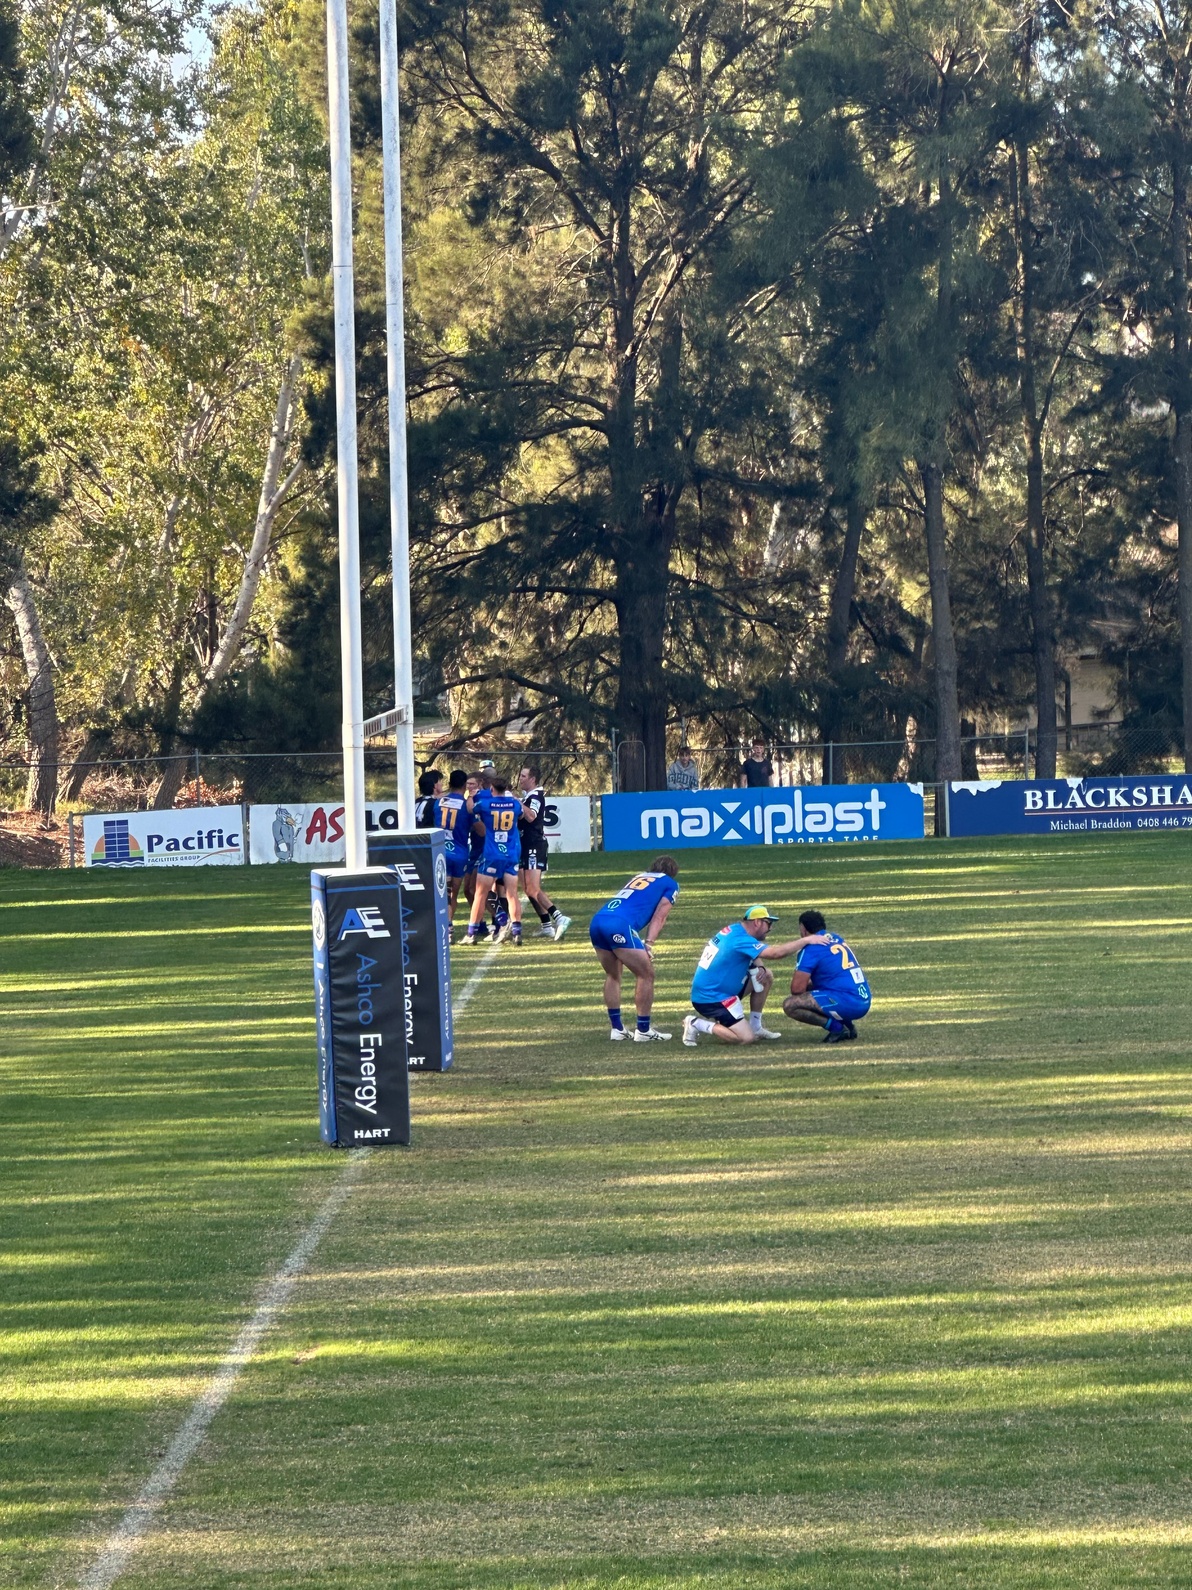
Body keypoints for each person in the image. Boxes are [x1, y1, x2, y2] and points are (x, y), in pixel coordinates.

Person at [683, 906, 819, 1047]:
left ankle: (756, 1026)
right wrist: (806, 940)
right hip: (712, 998)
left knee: (765, 975)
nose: (770, 928)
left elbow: (750, 953)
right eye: (768, 923)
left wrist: (760, 966)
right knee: (745, 1038)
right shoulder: (740, 939)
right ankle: (695, 1023)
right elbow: (775, 954)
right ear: (757, 922)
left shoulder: (736, 930)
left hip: (721, 991)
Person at [588, 857, 680, 1041]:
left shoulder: (639, 876)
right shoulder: (670, 884)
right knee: (646, 974)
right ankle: (644, 1030)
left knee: (613, 975)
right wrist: (649, 943)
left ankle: (617, 1029)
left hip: (598, 920)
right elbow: (659, 917)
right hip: (619, 925)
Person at [782, 909, 871, 1043]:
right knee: (820, 989)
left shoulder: (810, 949)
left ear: (804, 930)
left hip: (848, 1002)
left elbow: (797, 989)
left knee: (790, 1005)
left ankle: (837, 1029)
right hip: (863, 999)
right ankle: (848, 1026)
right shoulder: (835, 937)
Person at [464, 774, 524, 945]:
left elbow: (470, 810)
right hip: (510, 855)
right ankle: (517, 932)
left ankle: (472, 933)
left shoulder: (485, 804)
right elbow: (520, 814)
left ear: (491, 789)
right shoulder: (513, 804)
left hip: (491, 854)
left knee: (480, 894)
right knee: (512, 894)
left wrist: (471, 796)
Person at [517, 764, 572, 941]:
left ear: (532, 779)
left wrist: (517, 803)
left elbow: (531, 816)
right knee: (527, 888)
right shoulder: (528, 796)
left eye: (524, 776)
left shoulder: (536, 796)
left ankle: (559, 917)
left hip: (534, 846)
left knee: (533, 888)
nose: (520, 779)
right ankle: (546, 925)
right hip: (525, 845)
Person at [434, 770, 474, 933]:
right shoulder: (466, 806)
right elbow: (479, 829)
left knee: (443, 892)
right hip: (459, 853)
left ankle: (447, 927)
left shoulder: (438, 802)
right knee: (453, 894)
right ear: (465, 785)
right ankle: (449, 926)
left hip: (440, 851)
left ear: (449, 783)